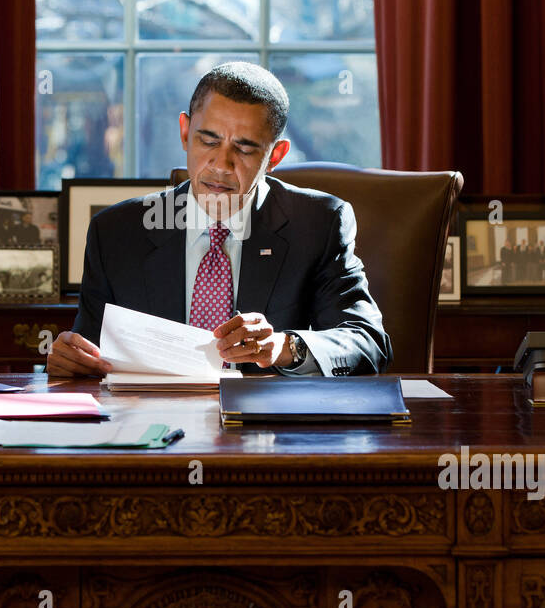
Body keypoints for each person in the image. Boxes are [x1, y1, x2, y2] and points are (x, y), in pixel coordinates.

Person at [48, 61, 391, 377]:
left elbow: (368, 343)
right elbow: (87, 355)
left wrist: (285, 347)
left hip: (264, 434)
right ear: (185, 132)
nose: (221, 165)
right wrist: (68, 359)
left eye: (244, 149)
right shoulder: (117, 234)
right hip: (152, 429)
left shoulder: (319, 225)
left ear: (276, 156)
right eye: (208, 140)